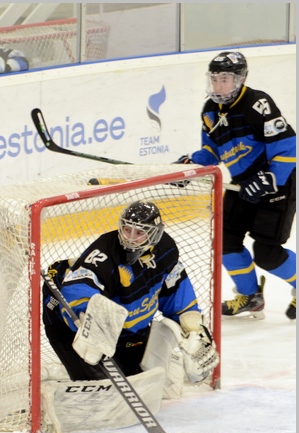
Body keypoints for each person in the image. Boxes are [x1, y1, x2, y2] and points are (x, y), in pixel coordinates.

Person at [42, 201, 219, 393]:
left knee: (152, 388)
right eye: (127, 230)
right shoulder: (105, 252)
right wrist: (88, 318)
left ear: (154, 234)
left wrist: (192, 329)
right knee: (107, 394)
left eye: (139, 232)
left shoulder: (165, 249)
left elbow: (175, 289)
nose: (130, 239)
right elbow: (80, 285)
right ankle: (79, 365)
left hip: (128, 331)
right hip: (69, 318)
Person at [175, 51, 296, 320]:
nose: (218, 86)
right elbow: (211, 151)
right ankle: (250, 297)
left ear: (240, 79)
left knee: (267, 254)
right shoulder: (209, 110)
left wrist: (271, 178)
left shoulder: (257, 104)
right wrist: (191, 165)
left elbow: (288, 145)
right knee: (225, 242)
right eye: (215, 79)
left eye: (225, 79)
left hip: (277, 185)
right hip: (243, 184)